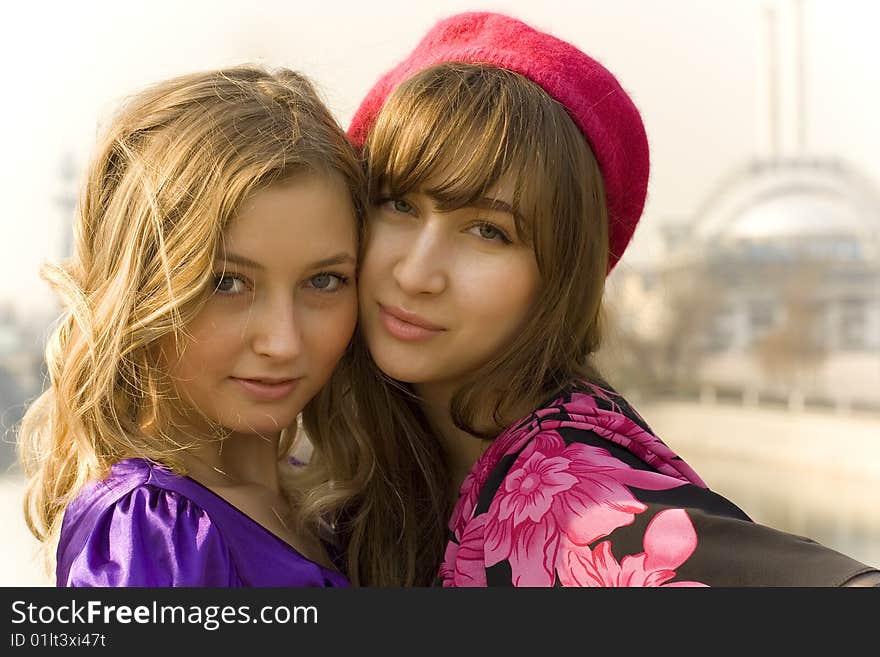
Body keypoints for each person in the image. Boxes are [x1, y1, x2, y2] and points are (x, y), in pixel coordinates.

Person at [321, 11, 880, 586]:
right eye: (398, 203)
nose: (417, 274)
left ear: (560, 277)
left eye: (489, 231)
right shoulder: (373, 464)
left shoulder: (567, 506)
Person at [17, 65, 368, 587]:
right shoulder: (156, 534)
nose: (283, 341)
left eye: (324, 281)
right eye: (226, 283)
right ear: (140, 293)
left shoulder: (318, 505)